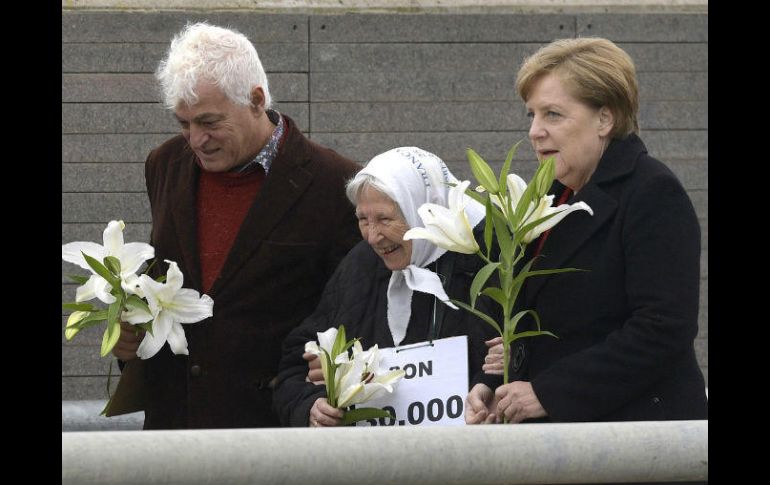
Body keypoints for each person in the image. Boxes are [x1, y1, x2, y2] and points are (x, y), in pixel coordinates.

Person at [107, 22, 362, 429]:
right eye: (184, 123)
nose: (195, 140)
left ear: (257, 100)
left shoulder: (336, 184)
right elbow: (165, 276)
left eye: (209, 122)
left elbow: (353, 315)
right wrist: (129, 338)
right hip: (174, 429)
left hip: (273, 433)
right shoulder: (164, 164)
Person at [466, 37, 708, 425]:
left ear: (605, 120)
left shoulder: (652, 191)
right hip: (565, 440)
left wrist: (547, 393)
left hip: (637, 438)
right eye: (531, 115)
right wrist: (492, 382)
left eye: (553, 115)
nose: (534, 131)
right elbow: (529, 320)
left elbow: (663, 329)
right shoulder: (549, 195)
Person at [272, 147, 496, 427]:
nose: (373, 237)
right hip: (376, 463)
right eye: (363, 220)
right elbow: (297, 365)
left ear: (425, 208)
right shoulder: (361, 266)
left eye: (385, 219)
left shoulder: (489, 260)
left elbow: (520, 359)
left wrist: (492, 385)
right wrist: (312, 405)